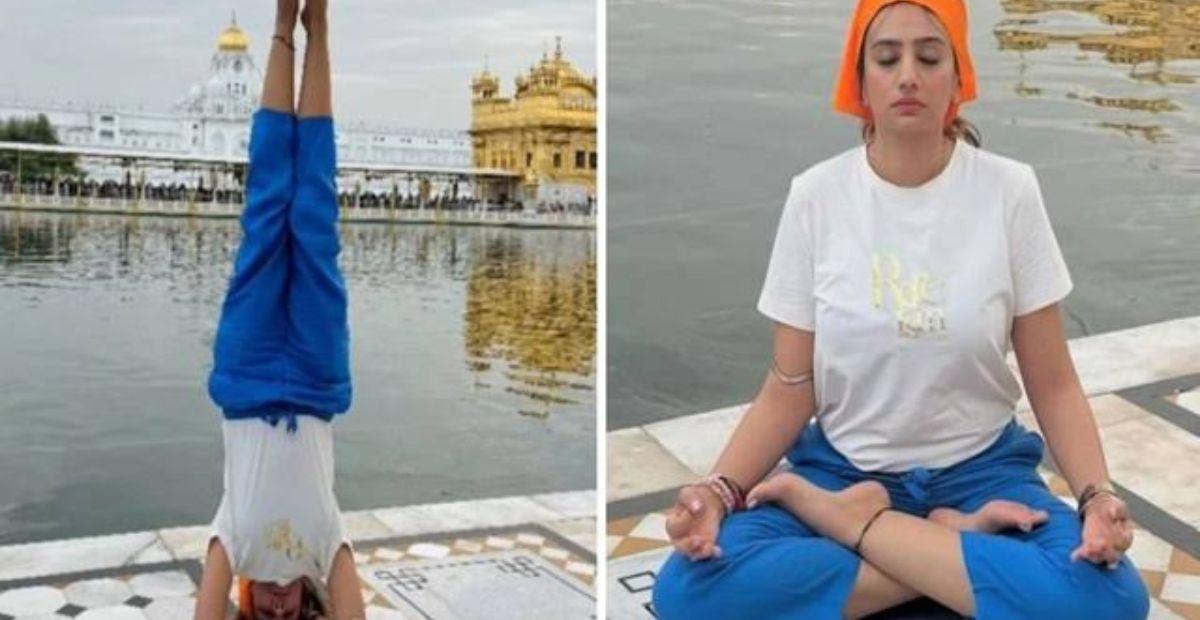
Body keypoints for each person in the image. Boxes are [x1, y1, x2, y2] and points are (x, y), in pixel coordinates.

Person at [650, 1, 1151, 619]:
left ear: (958, 76)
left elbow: (1052, 382)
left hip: (983, 474)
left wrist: (1095, 497)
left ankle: (865, 531)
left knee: (1112, 600)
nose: (908, 75)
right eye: (887, 59)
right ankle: (956, 547)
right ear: (860, 82)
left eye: (929, 56)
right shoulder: (818, 198)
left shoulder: (1008, 191)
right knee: (689, 591)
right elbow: (789, 386)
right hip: (841, 470)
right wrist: (719, 491)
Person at [193, 1, 366, 619]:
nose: (275, 602)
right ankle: (317, 28)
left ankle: (280, 25)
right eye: (286, 613)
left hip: (248, 374)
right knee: (313, 212)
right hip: (317, 379)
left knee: (268, 208)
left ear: (243, 597)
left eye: (260, 611)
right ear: (307, 601)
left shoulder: (232, 538)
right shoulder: (325, 546)